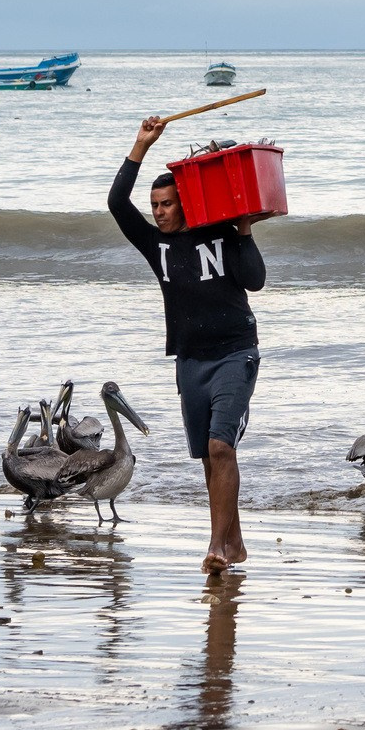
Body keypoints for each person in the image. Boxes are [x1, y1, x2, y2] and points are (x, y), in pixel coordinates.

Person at [109, 113, 268, 574]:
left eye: (166, 204)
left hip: (236, 353)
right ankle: (234, 544)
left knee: (221, 448)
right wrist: (140, 145)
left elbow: (255, 281)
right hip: (190, 361)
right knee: (207, 455)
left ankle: (217, 547)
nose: (158, 212)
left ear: (187, 203)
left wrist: (243, 229)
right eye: (154, 205)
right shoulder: (154, 245)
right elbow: (117, 201)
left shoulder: (218, 232)